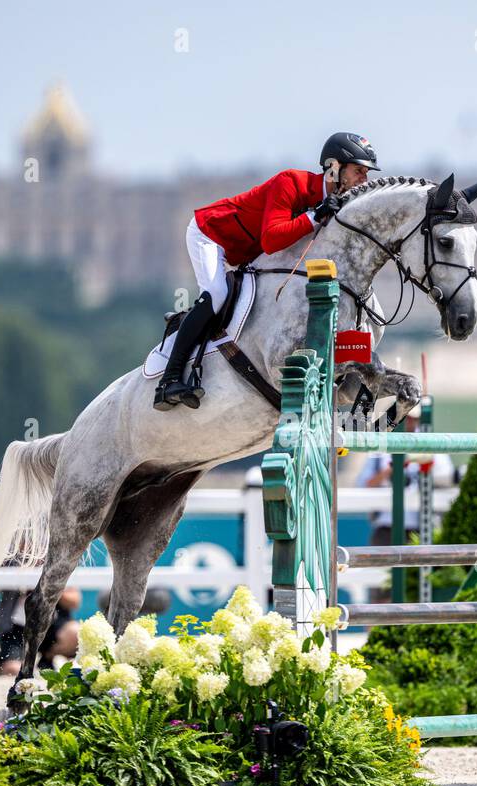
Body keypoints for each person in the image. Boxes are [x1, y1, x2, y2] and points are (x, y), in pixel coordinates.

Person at [154, 132, 381, 411]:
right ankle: (169, 379)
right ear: (334, 167)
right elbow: (272, 240)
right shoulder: (292, 183)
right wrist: (314, 216)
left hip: (246, 253)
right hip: (211, 234)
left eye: (366, 173)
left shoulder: (335, 205)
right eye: (358, 171)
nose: (364, 180)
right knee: (216, 293)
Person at [355, 408, 456, 547]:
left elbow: (448, 479)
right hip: (386, 527)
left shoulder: (431, 442)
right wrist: (393, 468)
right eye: (405, 417)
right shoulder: (381, 443)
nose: (408, 421)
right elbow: (363, 484)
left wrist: (423, 466)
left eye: (412, 417)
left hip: (422, 527)